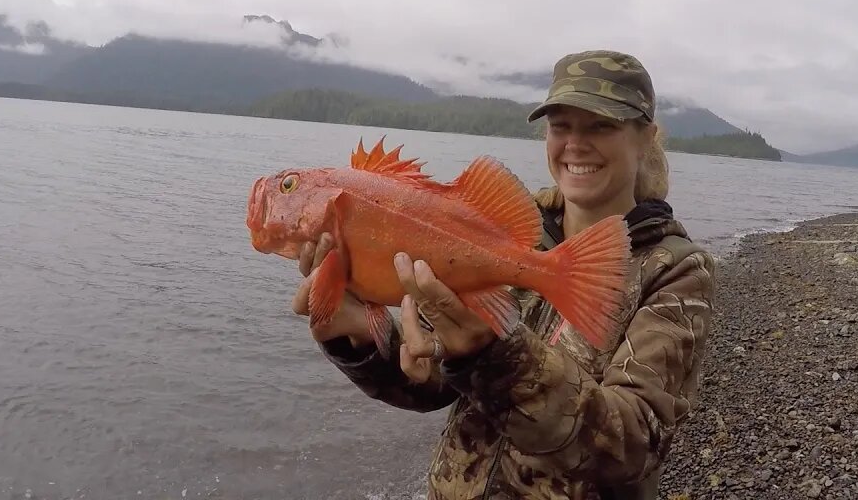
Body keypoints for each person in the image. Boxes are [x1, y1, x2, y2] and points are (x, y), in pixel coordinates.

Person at [290, 49, 717, 499]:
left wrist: (494, 357)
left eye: (601, 126)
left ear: (646, 137)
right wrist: (360, 337)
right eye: (561, 126)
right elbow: (433, 386)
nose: (575, 143)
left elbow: (631, 445)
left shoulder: (678, 271)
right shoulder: (495, 232)